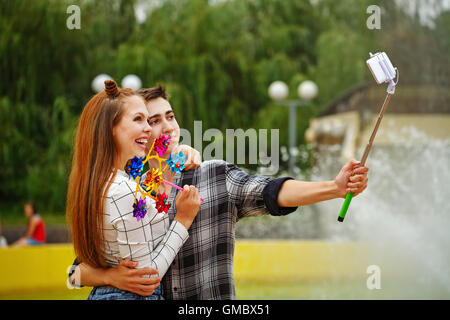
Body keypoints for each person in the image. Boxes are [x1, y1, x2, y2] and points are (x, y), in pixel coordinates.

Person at [69, 85, 369, 299]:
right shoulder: (131, 190)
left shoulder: (211, 174)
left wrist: (333, 187)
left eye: (170, 116)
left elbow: (272, 192)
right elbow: (75, 273)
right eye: (151, 120)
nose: (166, 127)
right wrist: (111, 277)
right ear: (136, 133)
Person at [65, 80, 201, 300]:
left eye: (169, 117)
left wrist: (109, 277)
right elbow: (145, 280)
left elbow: (73, 276)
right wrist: (183, 219)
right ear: (110, 129)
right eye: (141, 119)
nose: (149, 128)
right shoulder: (125, 190)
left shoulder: (101, 183)